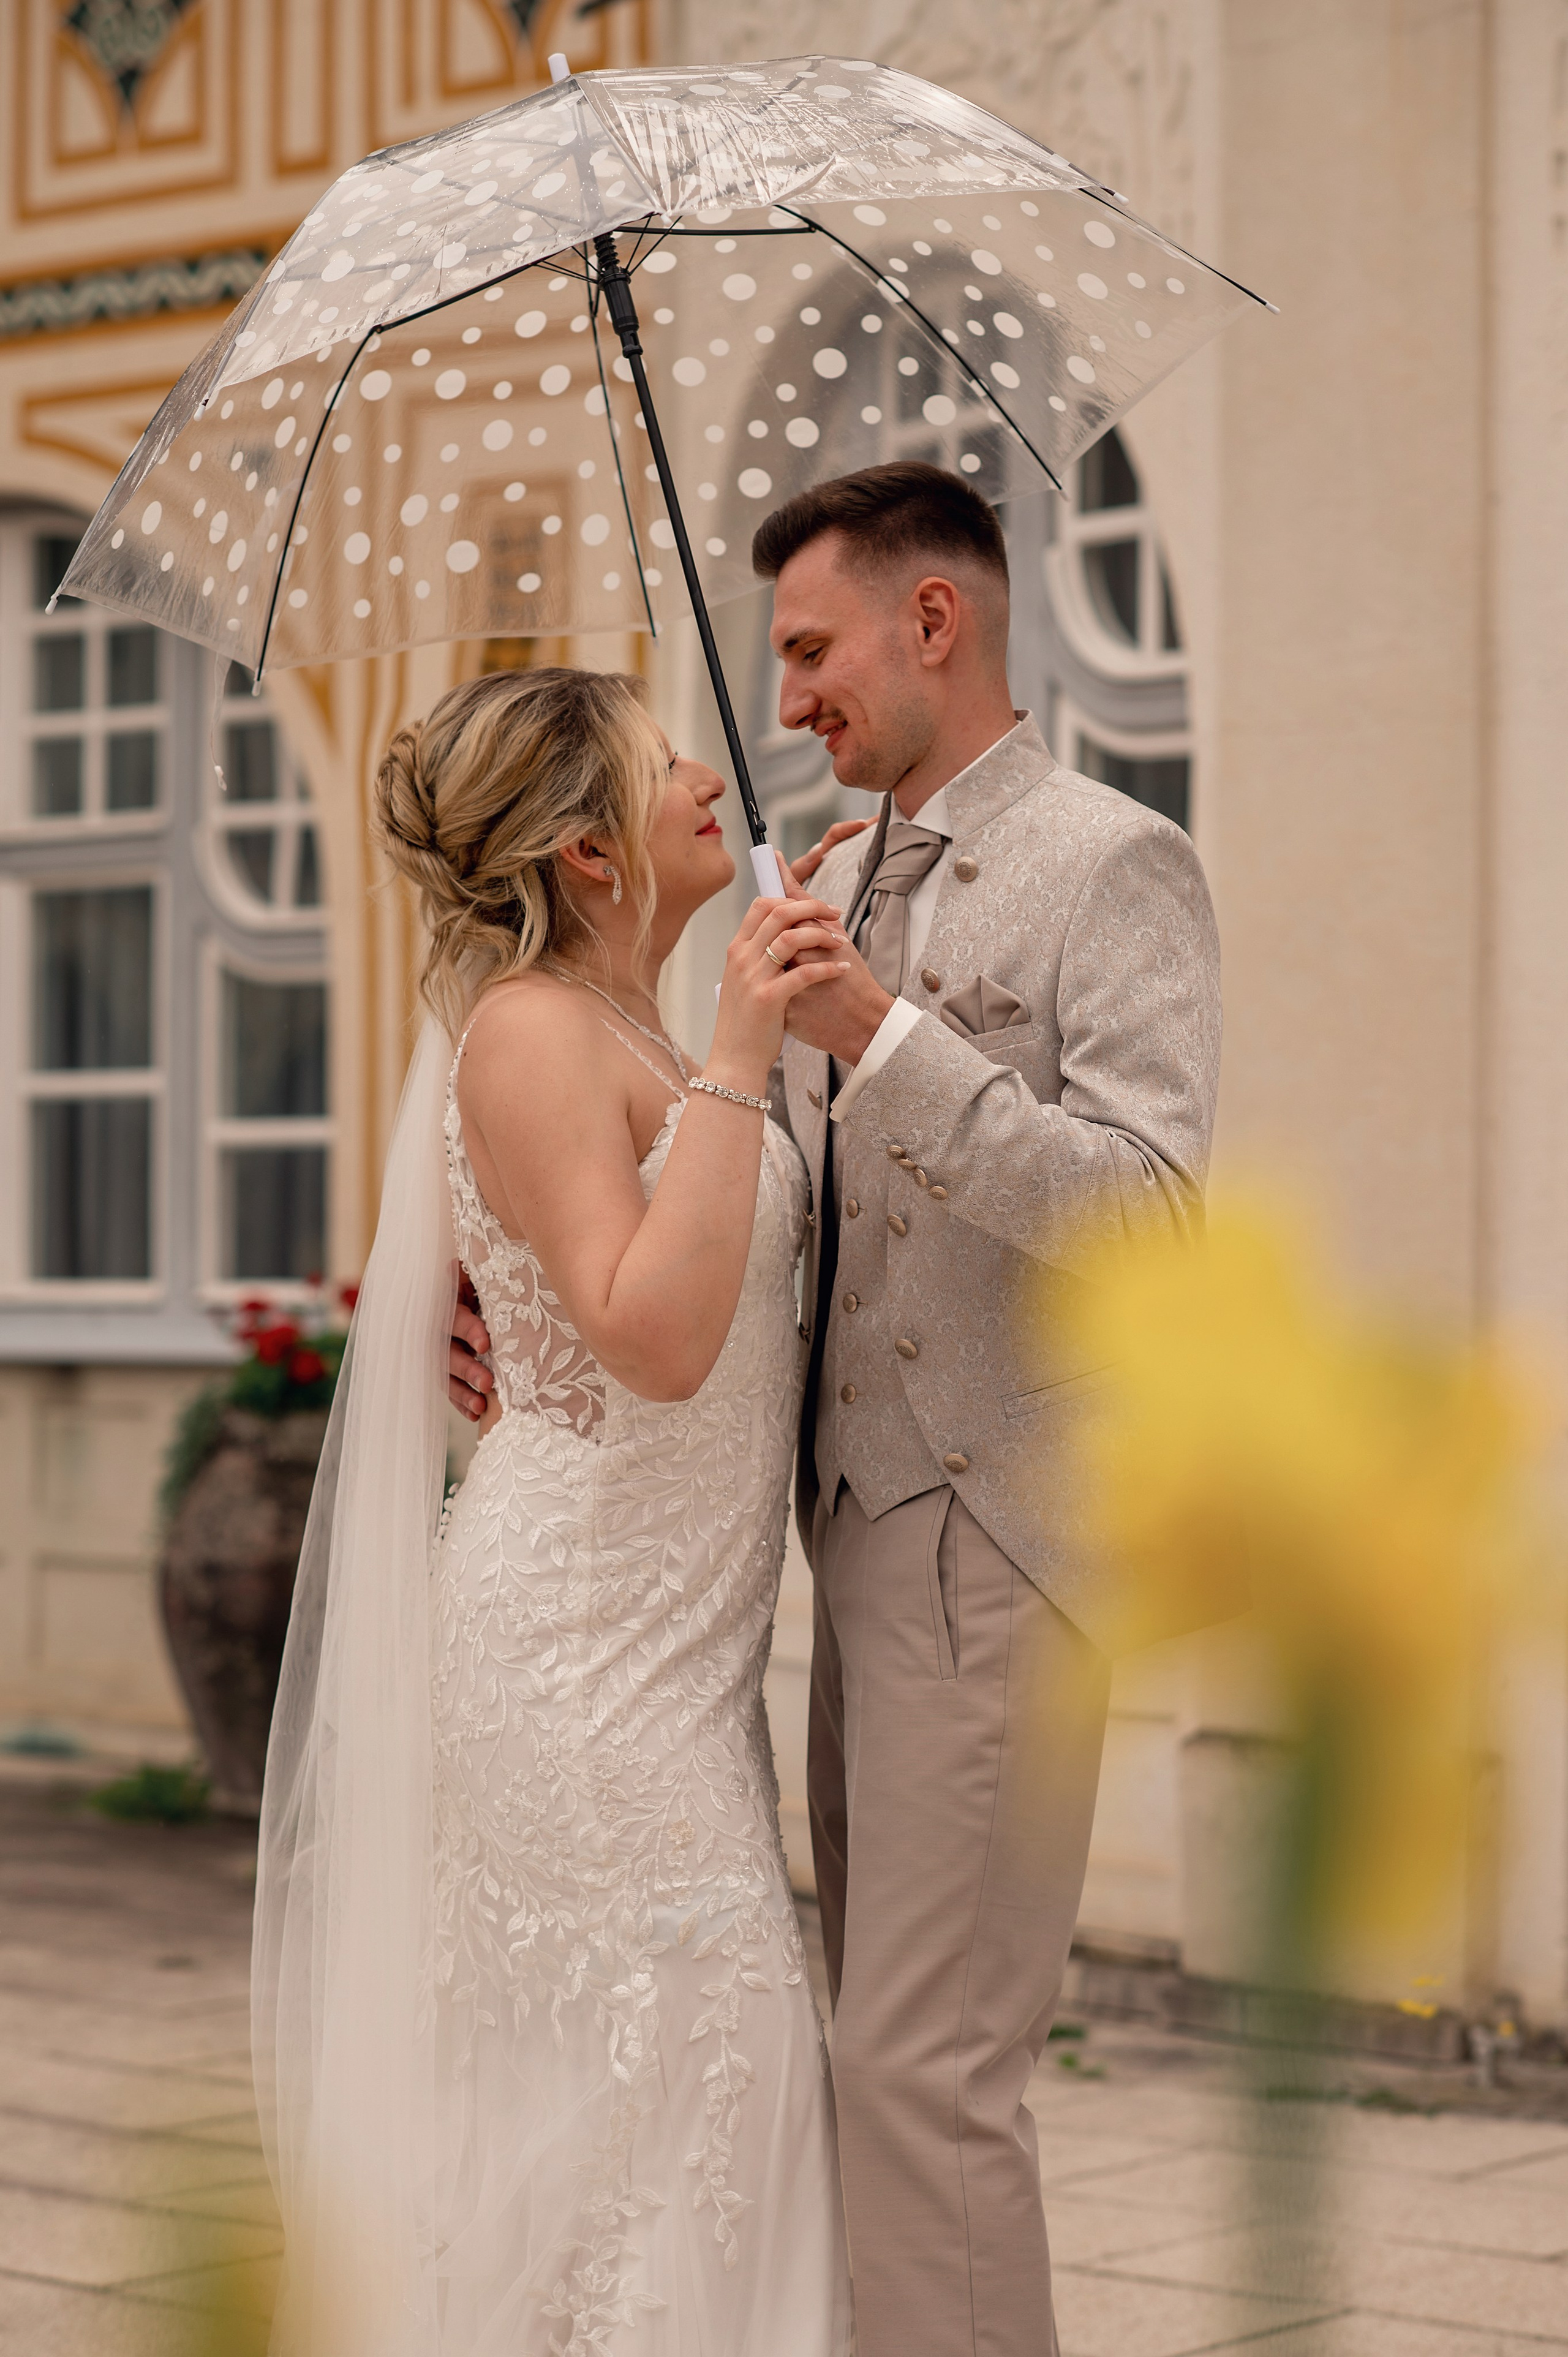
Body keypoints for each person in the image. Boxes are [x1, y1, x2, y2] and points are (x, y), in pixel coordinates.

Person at [453, 462, 1221, 2357]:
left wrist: (883, 1037)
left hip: (998, 1534)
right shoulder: (825, 879)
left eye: (809, 651)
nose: (784, 700)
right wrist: (508, 1301)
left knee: (923, 2084)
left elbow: (1156, 1223)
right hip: (826, 1559)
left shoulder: (1113, 863)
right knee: (870, 2072)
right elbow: (735, 1212)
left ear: (930, 621)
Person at [255, 665, 858, 2356]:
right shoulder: (531, 1029)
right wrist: (744, 1045)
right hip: (580, 1657)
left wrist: (775, 1018)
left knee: (657, 2106)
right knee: (701, 2070)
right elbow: (652, 1336)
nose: (708, 778)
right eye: (668, 764)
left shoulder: (645, 1029)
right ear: (591, 851)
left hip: (675, 1650)